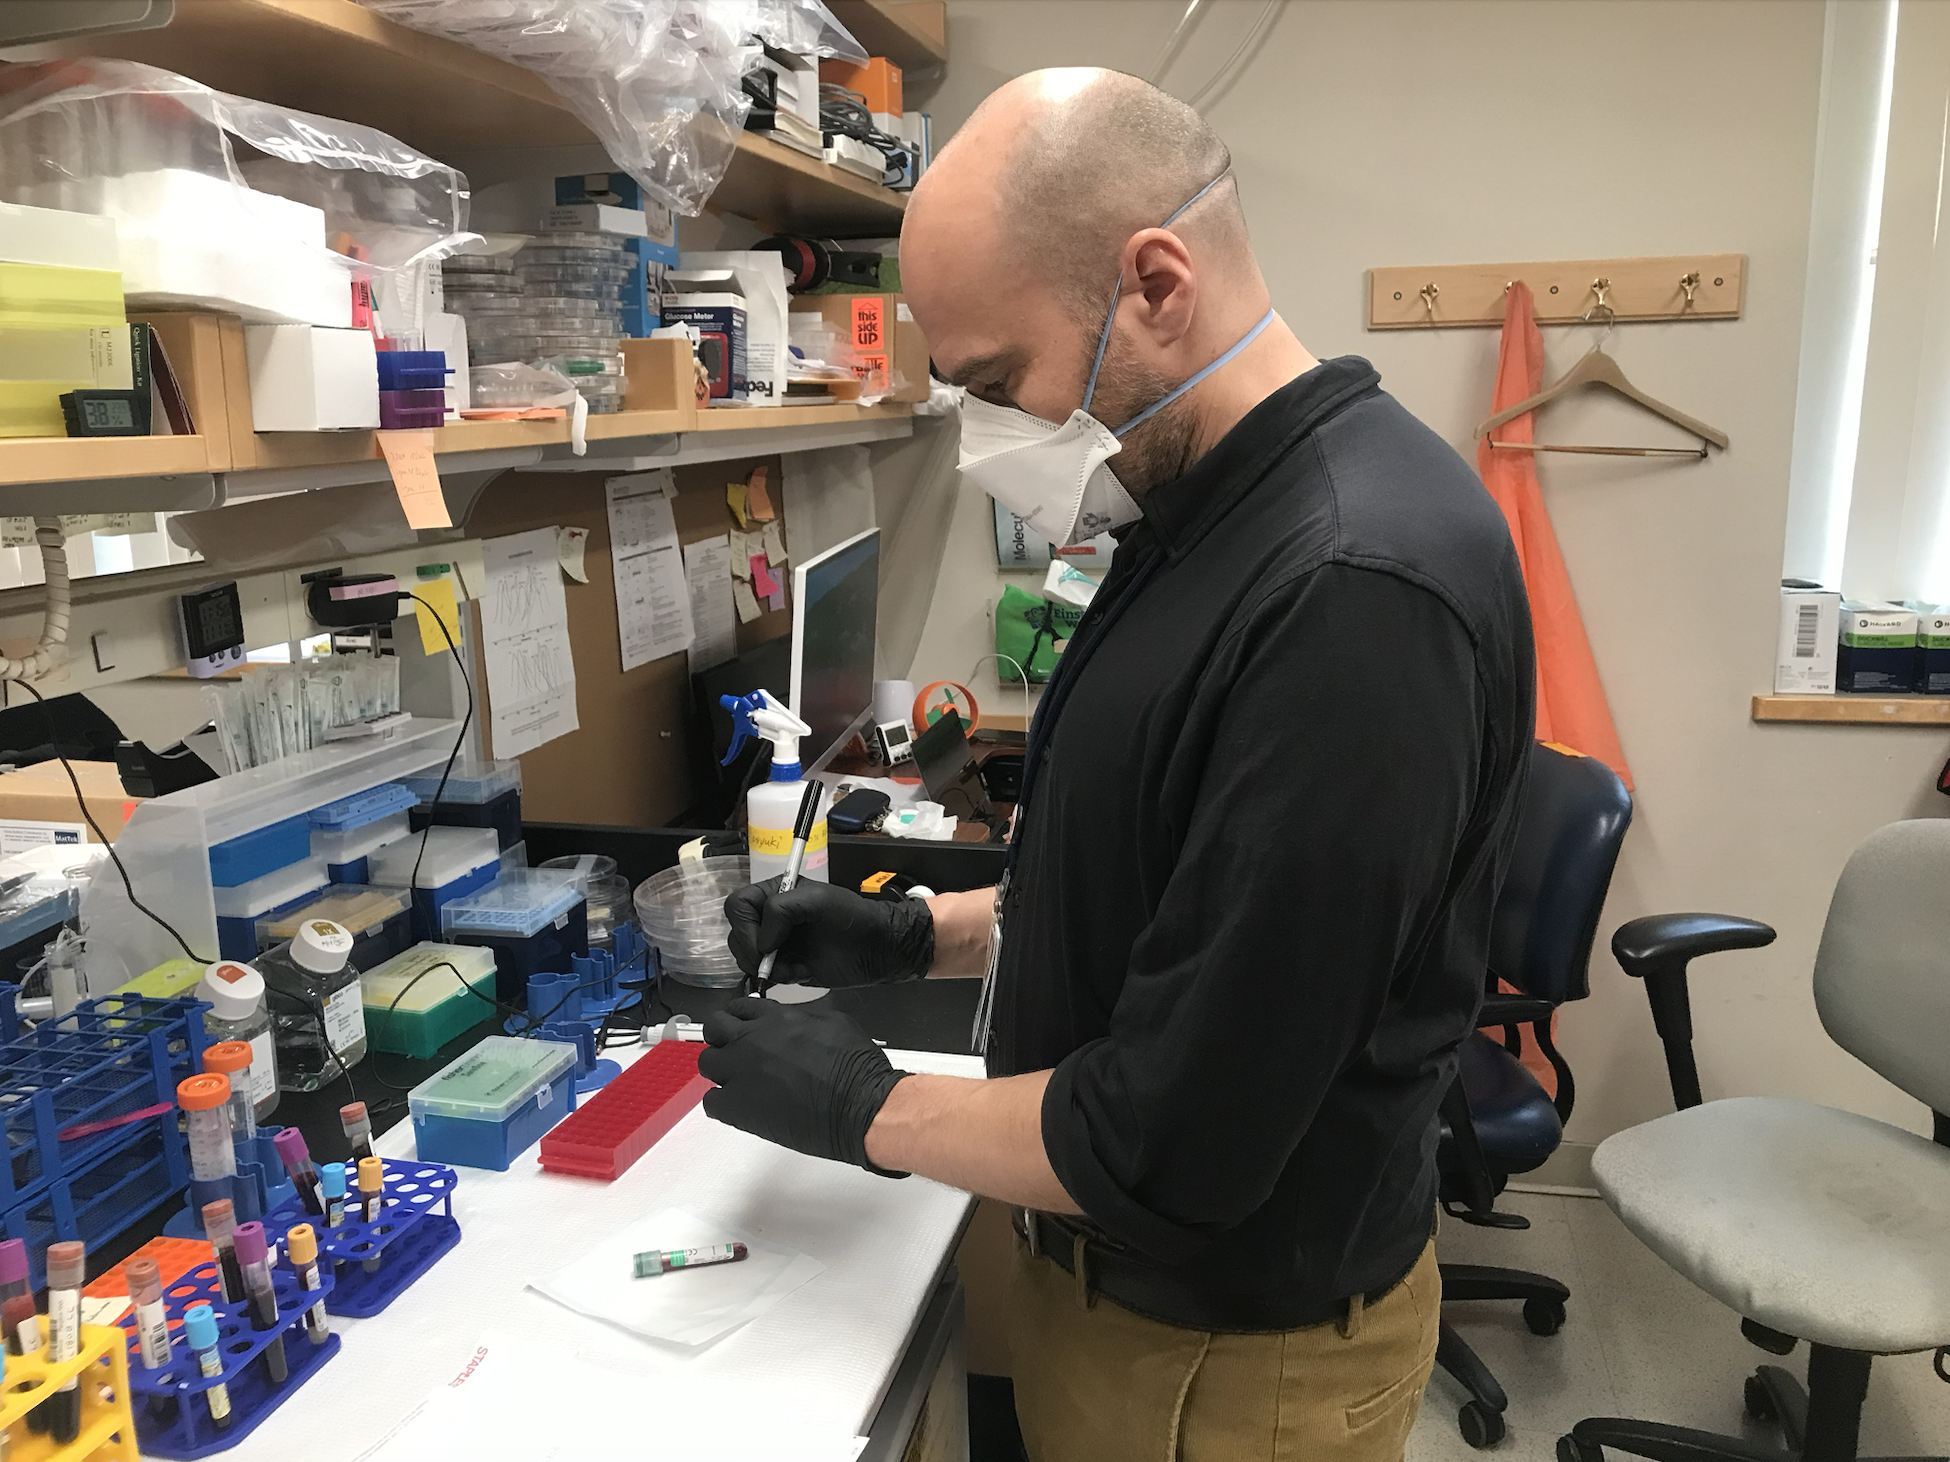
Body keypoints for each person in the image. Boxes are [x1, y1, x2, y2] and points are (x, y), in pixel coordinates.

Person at [701, 67, 1535, 1462]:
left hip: (1224, 1358)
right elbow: (1164, 893)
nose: (982, 437)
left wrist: (865, 1105)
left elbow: (1177, 1134)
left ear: (1156, 283)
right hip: (1102, 1291)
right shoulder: (1196, 514)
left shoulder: (1349, 595)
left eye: (993, 382)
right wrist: (917, 929)